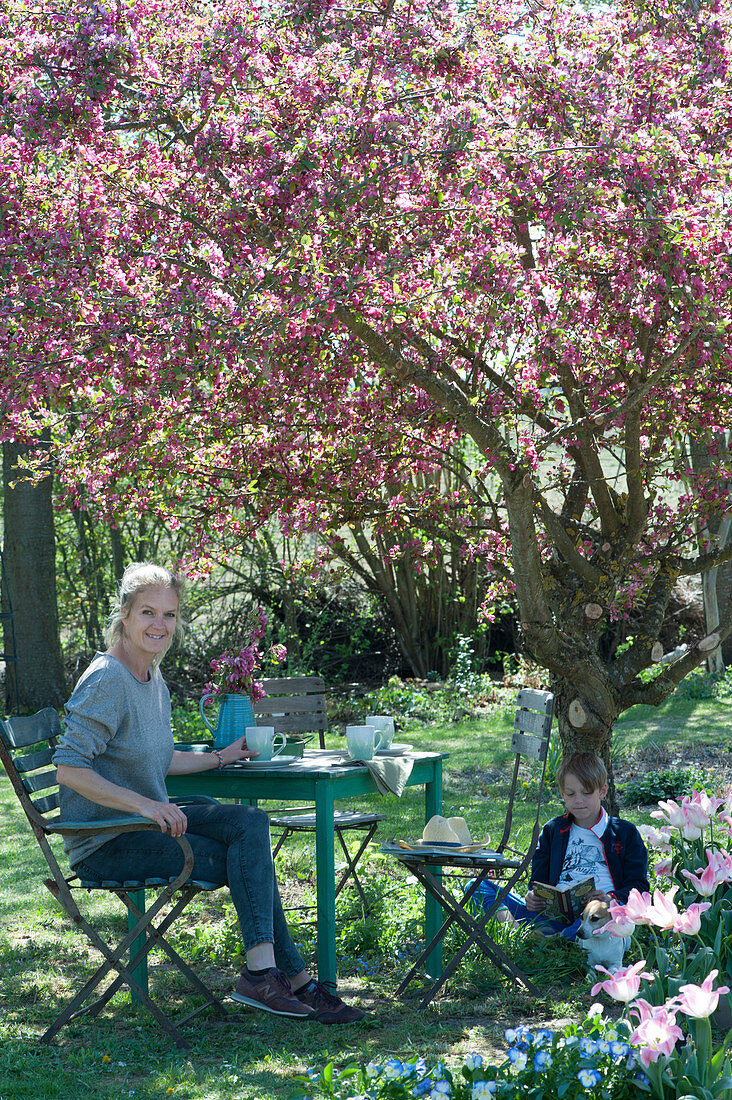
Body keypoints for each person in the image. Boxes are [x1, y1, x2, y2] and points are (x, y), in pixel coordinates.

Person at [53, 562, 363, 1025]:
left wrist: (223, 757)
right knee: (239, 860)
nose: (160, 625)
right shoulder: (107, 679)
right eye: (148, 612)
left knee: (248, 822)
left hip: (147, 823)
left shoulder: (150, 675)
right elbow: (69, 768)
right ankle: (286, 979)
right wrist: (148, 804)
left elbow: (157, 757)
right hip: (106, 839)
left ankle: (271, 976)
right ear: (125, 614)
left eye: (170, 615)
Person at [478, 751, 649, 939]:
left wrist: (610, 898)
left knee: (591, 926)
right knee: (478, 886)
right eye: (570, 794)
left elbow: (639, 886)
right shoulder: (553, 831)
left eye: (586, 793)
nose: (578, 800)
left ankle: (548, 940)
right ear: (562, 794)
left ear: (603, 791)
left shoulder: (624, 832)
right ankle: (518, 932)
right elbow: (538, 881)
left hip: (596, 918)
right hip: (551, 916)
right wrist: (532, 897)